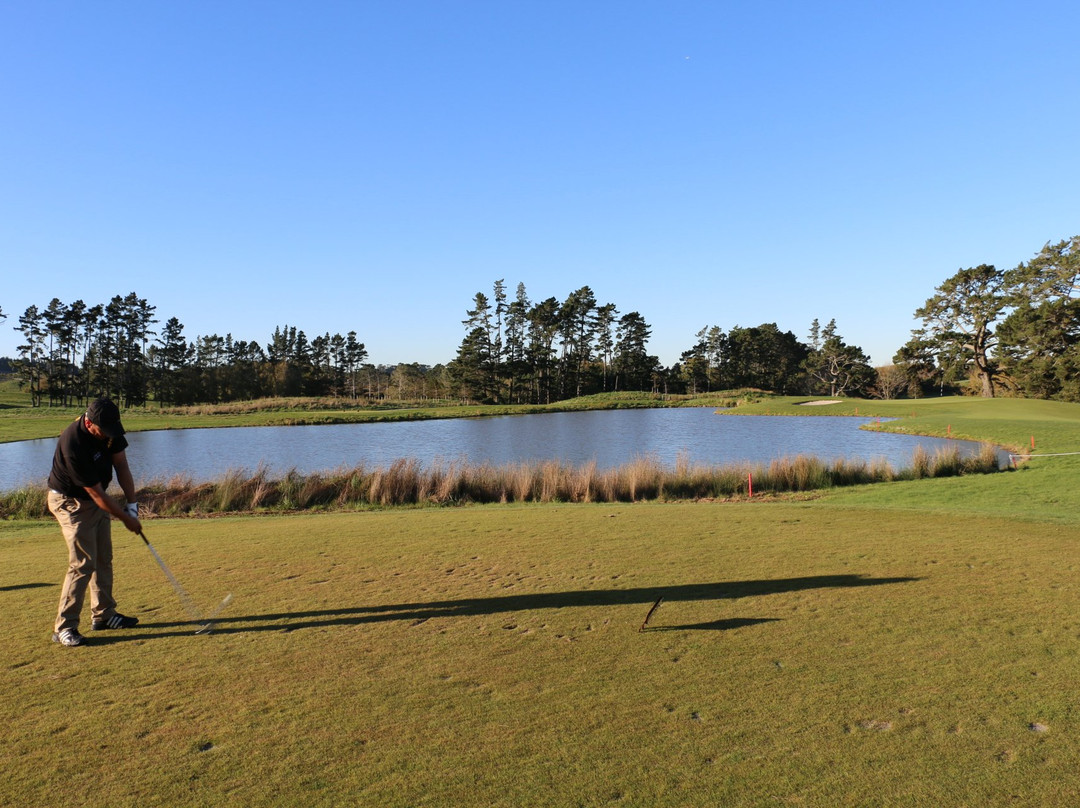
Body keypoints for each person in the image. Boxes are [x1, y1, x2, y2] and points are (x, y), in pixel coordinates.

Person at [48, 397, 143, 647]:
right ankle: (65, 627)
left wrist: (132, 505)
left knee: (103, 558)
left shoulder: (109, 428)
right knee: (83, 563)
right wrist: (126, 520)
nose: (108, 436)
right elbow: (96, 494)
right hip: (70, 502)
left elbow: (121, 465)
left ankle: (104, 615)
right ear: (89, 423)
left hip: (95, 498)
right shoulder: (73, 442)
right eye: (104, 431)